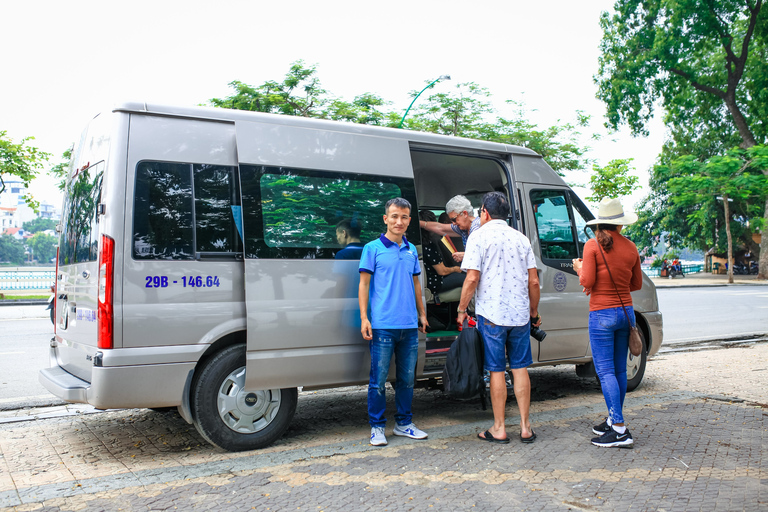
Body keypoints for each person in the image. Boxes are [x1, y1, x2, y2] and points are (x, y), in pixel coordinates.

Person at [456, 192, 541, 444]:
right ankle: (526, 428)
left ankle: (500, 428)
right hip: (519, 315)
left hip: (492, 315)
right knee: (520, 368)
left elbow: (472, 278)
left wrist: (461, 310)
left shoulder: (478, 237)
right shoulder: (521, 239)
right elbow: (533, 281)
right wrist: (533, 312)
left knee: (495, 370)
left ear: (484, 212)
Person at [572, 197, 643, 449]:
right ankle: (614, 420)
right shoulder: (632, 248)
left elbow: (587, 281)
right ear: (620, 225)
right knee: (619, 371)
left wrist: (579, 267)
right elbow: (636, 285)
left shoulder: (592, 246)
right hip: (626, 313)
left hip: (602, 315)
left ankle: (620, 429)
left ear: (599, 224)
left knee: (604, 372)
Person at [359, 197, 429, 446]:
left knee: (407, 379)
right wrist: (364, 318)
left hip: (409, 326)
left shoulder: (411, 251)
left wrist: (422, 313)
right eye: (394, 216)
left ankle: (404, 424)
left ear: (409, 220)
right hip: (382, 326)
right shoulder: (372, 248)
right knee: (377, 381)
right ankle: (377, 427)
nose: (399, 221)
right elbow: (364, 284)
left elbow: (416, 283)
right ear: (385, 218)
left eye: (404, 217)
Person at [419, 195, 481, 263]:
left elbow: (488, 253)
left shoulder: (480, 228)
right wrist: (418, 223)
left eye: (454, 219)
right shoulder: (464, 228)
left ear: (464, 214)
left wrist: (465, 255)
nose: (453, 223)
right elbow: (440, 228)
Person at [418, 210, 466, 296]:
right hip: (436, 283)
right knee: (468, 278)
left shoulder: (419, 244)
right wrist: (455, 269)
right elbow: (442, 271)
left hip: (427, 282)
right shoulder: (429, 245)